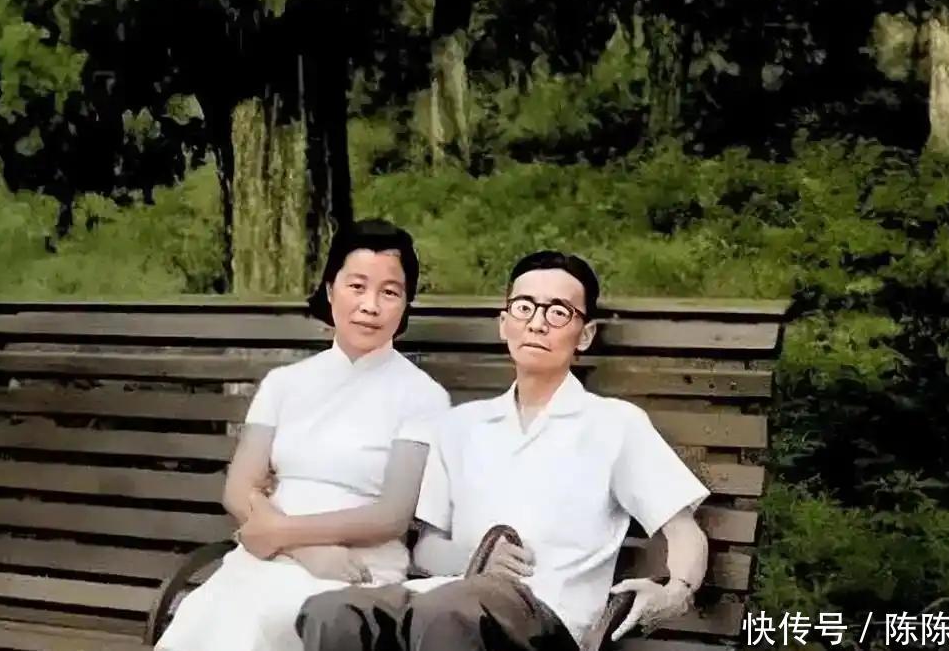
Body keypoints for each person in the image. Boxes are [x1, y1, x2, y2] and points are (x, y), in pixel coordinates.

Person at [296, 250, 711, 651]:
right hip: (447, 603)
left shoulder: (615, 424)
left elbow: (684, 532)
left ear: (584, 335)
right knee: (332, 612)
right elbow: (426, 549)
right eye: (524, 308)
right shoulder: (460, 425)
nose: (537, 324)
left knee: (451, 611)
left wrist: (676, 591)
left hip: (545, 624)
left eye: (558, 312)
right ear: (504, 323)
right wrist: (475, 558)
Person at [156, 219, 451, 651]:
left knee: (260, 619)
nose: (370, 305)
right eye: (357, 286)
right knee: (206, 610)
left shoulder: (423, 397)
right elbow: (239, 490)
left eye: (389, 292)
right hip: (270, 558)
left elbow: (391, 515)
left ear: (405, 304)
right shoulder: (284, 383)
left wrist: (284, 535)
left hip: (355, 570)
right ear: (330, 290)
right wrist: (302, 549)